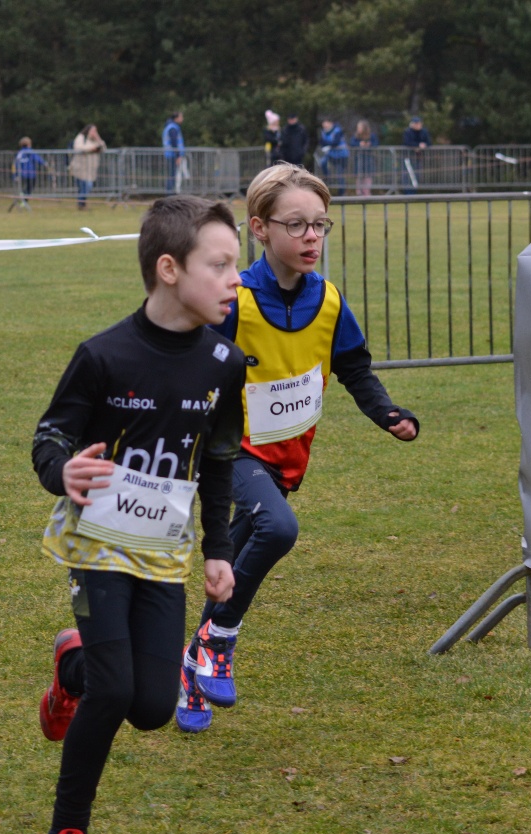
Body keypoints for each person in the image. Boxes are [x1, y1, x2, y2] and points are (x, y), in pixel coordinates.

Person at [31, 195, 248, 834]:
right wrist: (62, 468)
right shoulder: (102, 355)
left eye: (235, 265)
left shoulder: (224, 362)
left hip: (162, 549)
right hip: (95, 540)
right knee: (116, 688)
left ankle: (73, 668)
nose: (234, 279)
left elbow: (218, 460)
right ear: (167, 269)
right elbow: (51, 434)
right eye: (219, 266)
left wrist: (217, 548)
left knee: (152, 705)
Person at [175, 164, 419, 733]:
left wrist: (388, 414)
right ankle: (220, 642)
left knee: (231, 569)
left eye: (320, 225)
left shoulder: (330, 301)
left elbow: (354, 368)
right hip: (229, 453)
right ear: (259, 229)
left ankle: (191, 667)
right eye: (297, 225)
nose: (312, 237)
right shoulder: (233, 301)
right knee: (278, 529)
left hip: (286, 458)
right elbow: (189, 368)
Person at [70, 124, 106, 210]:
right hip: (80, 168)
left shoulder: (95, 140)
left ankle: (82, 204)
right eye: (93, 131)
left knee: (86, 187)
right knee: (85, 186)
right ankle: (81, 205)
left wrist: (97, 138)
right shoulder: (81, 137)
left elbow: (104, 148)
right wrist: (92, 148)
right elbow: (79, 148)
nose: (94, 133)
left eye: (96, 131)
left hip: (90, 169)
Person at [12, 137, 46, 211]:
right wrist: (45, 163)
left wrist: (14, 175)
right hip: (31, 174)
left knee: (25, 187)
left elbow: (15, 164)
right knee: (30, 188)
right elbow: (38, 159)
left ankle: (22, 198)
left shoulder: (19, 153)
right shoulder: (30, 152)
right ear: (29, 144)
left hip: (21, 174)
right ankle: (23, 199)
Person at [318, 119, 349, 196]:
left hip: (341, 155)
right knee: (323, 162)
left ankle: (342, 193)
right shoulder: (324, 132)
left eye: (326, 123)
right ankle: (328, 179)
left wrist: (328, 144)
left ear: (330, 123)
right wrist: (329, 144)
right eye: (323, 123)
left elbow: (335, 142)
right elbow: (321, 142)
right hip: (331, 154)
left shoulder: (338, 131)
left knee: (339, 174)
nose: (324, 125)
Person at [401, 116, 431, 193]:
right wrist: (417, 146)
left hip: (418, 157)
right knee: (407, 175)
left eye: (419, 123)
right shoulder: (408, 132)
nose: (418, 125)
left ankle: (414, 192)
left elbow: (429, 142)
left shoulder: (424, 132)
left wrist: (423, 146)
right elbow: (407, 142)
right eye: (416, 123)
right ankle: (408, 193)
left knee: (417, 175)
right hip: (408, 157)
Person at [352, 119, 378, 196]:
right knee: (359, 175)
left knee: (368, 175)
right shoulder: (356, 136)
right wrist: (359, 144)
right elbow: (352, 143)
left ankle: (367, 191)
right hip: (359, 158)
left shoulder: (371, 135)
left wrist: (369, 144)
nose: (358, 129)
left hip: (368, 158)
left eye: (359, 127)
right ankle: (359, 192)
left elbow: (376, 144)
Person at [162, 112, 186, 194]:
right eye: (181, 117)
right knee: (172, 175)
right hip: (172, 155)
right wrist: (178, 155)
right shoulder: (173, 128)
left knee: (172, 175)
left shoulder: (170, 127)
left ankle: (170, 193)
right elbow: (174, 143)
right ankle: (170, 194)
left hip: (171, 154)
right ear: (176, 118)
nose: (182, 119)